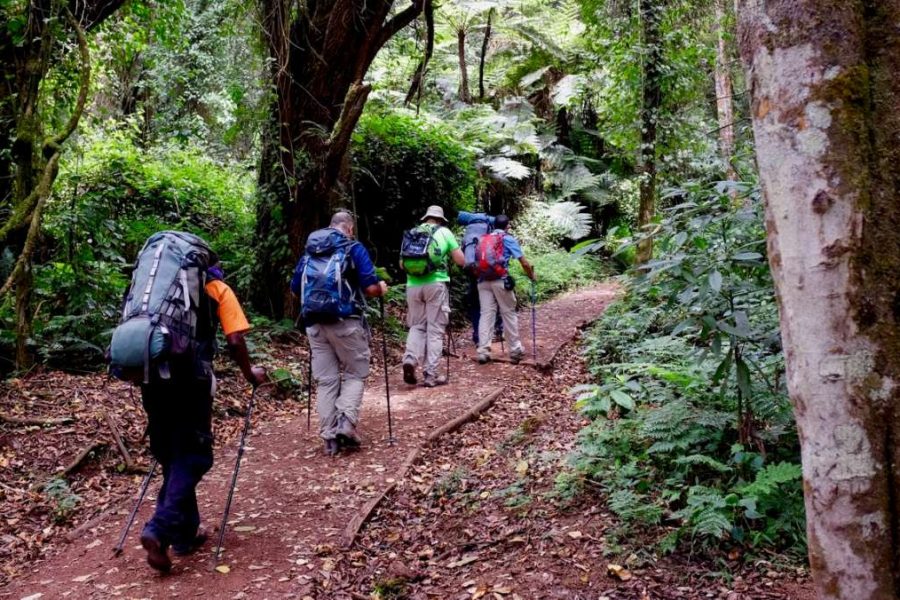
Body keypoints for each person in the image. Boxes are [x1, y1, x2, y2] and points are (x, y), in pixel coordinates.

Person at [132, 235, 267, 573]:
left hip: (150, 373)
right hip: (190, 377)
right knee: (194, 455)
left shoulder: (150, 290)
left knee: (170, 454)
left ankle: (183, 535)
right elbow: (235, 339)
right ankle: (159, 528)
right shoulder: (215, 285)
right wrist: (251, 374)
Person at [291, 211, 388, 457]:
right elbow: (369, 287)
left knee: (327, 380)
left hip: (314, 324)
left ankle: (328, 438)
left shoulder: (310, 252)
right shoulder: (352, 248)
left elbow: (295, 288)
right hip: (345, 322)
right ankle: (345, 422)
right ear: (348, 227)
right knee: (356, 372)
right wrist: (381, 288)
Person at [401, 205, 465, 387]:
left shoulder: (413, 232)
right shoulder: (445, 232)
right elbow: (460, 260)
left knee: (417, 326)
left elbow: (401, 263)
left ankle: (410, 359)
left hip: (413, 285)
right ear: (441, 219)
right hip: (435, 284)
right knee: (435, 330)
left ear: (426, 217)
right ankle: (430, 375)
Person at [474, 214, 536, 365]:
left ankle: (483, 351)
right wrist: (532, 276)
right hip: (500, 281)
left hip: (482, 281)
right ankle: (515, 350)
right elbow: (524, 262)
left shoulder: (484, 238)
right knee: (508, 313)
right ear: (507, 226)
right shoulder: (507, 239)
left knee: (486, 314)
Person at [457, 210, 502, 345]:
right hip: (488, 271)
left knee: (475, 302)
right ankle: (499, 329)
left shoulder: (468, 233)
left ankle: (477, 335)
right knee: (494, 299)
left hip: (472, 270)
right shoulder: (489, 227)